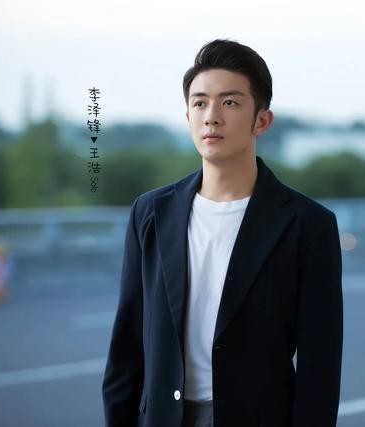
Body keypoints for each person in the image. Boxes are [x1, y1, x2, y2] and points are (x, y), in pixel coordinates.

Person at [102, 38, 343, 427]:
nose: (211, 116)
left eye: (229, 102)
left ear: (262, 120)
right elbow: (126, 347)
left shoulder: (307, 224)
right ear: (188, 117)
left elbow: (321, 367)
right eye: (200, 103)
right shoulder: (150, 213)